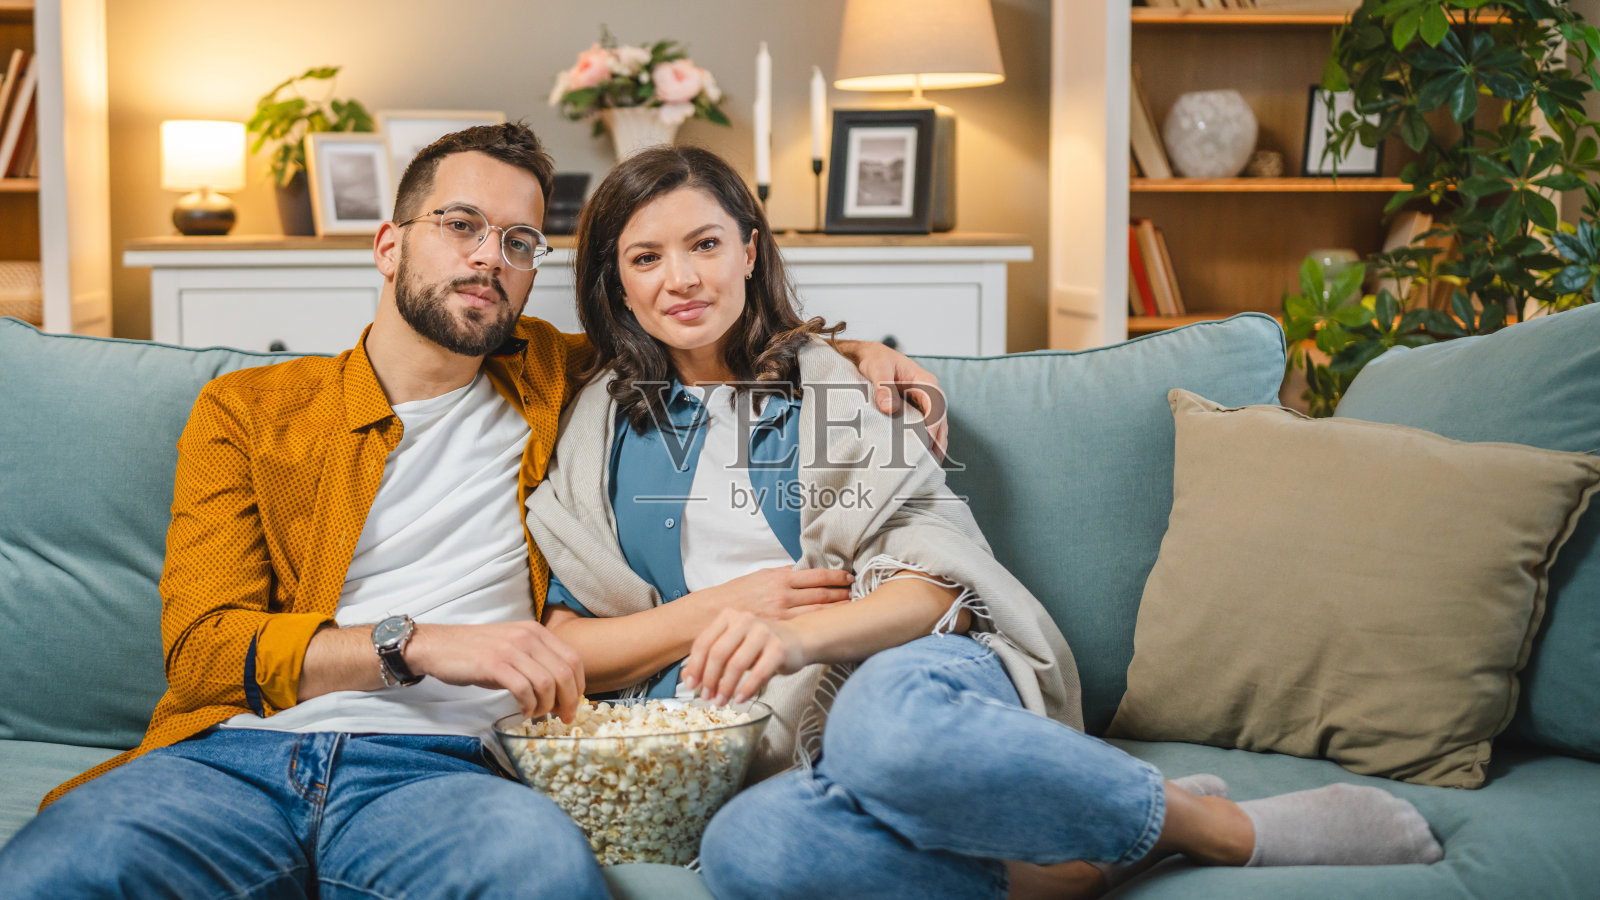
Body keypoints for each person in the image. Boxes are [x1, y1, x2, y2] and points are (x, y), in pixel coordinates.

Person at [0, 123, 942, 898]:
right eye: (461, 224)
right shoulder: (252, 412)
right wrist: (413, 642)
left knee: (540, 877)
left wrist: (846, 352)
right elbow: (205, 647)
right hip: (231, 763)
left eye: (520, 242)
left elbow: (693, 320)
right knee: (55, 873)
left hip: (451, 773)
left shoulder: (561, 380)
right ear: (389, 243)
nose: (491, 256)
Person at [525, 145, 1447, 900]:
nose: (681, 278)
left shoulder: (834, 385)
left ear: (750, 251)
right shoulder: (604, 420)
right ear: (616, 280)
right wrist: (718, 612)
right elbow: (570, 637)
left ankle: (1211, 824)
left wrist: (798, 634)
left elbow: (937, 583)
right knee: (749, 855)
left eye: (705, 244)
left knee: (883, 732)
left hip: (904, 667)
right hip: (745, 734)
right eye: (645, 257)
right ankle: (1079, 860)